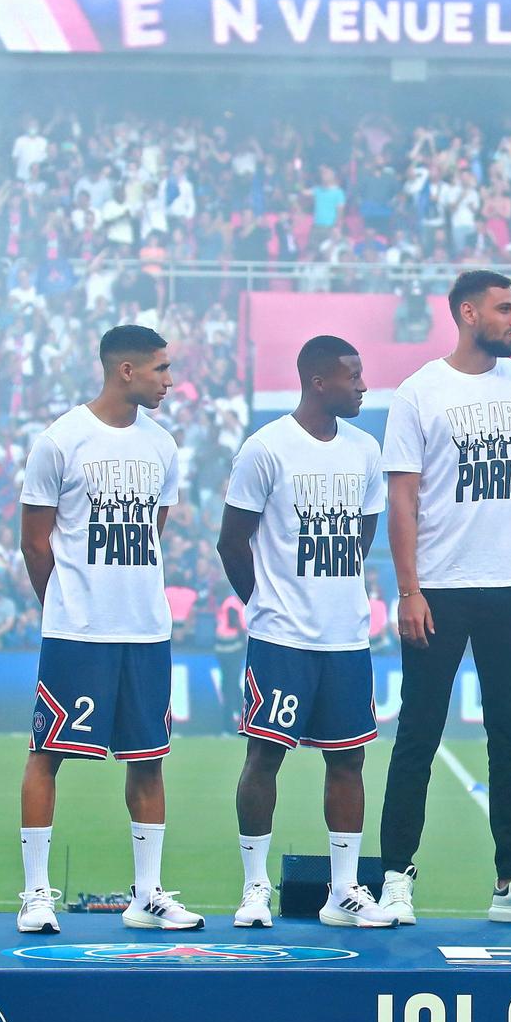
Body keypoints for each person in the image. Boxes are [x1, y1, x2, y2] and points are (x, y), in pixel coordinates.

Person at [378, 270, 511, 925]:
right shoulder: (419, 392)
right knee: (418, 737)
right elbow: (400, 496)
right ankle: (395, 879)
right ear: (467, 312)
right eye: (506, 308)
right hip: (438, 590)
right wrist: (408, 589)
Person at [14, 324, 199, 935]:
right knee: (47, 753)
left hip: (145, 629)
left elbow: (155, 531)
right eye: (161, 370)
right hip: (77, 631)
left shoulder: (163, 446)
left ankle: (147, 895)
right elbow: (34, 543)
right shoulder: (61, 441)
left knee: (148, 760)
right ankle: (35, 894)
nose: (169, 381)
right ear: (126, 371)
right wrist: (64, 604)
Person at [217, 336, 396, 930]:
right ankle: (254, 888)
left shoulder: (366, 450)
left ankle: (343, 892)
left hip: (346, 637)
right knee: (264, 756)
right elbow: (231, 540)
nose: (363, 386)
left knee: (349, 761)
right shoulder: (266, 449)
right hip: (281, 639)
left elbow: (364, 536)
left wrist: (333, 591)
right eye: (353, 376)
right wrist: (265, 602)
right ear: (319, 381)